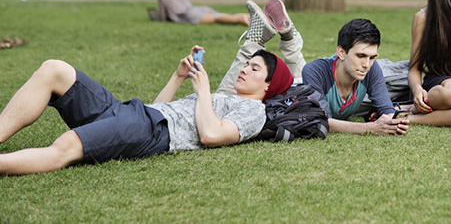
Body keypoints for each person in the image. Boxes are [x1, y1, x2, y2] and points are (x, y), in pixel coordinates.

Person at [0, 45, 294, 176]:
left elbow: (212, 135)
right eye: (246, 63)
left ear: (269, 85)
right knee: (55, 69)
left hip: (150, 130)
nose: (244, 69)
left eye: (254, 68)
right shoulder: (224, 96)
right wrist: (179, 76)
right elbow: (158, 108)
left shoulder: (254, 111)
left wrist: (204, 92)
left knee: (65, 147)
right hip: (134, 112)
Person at [215, 0, 409, 136]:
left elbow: (386, 109)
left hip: (301, 87)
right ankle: (256, 41)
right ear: (341, 52)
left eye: (372, 57)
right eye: (360, 56)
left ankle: (289, 35)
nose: (367, 64)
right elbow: (323, 121)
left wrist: (394, 122)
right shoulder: (316, 71)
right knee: (226, 96)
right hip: (290, 94)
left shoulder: (370, 69)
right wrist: (372, 129)